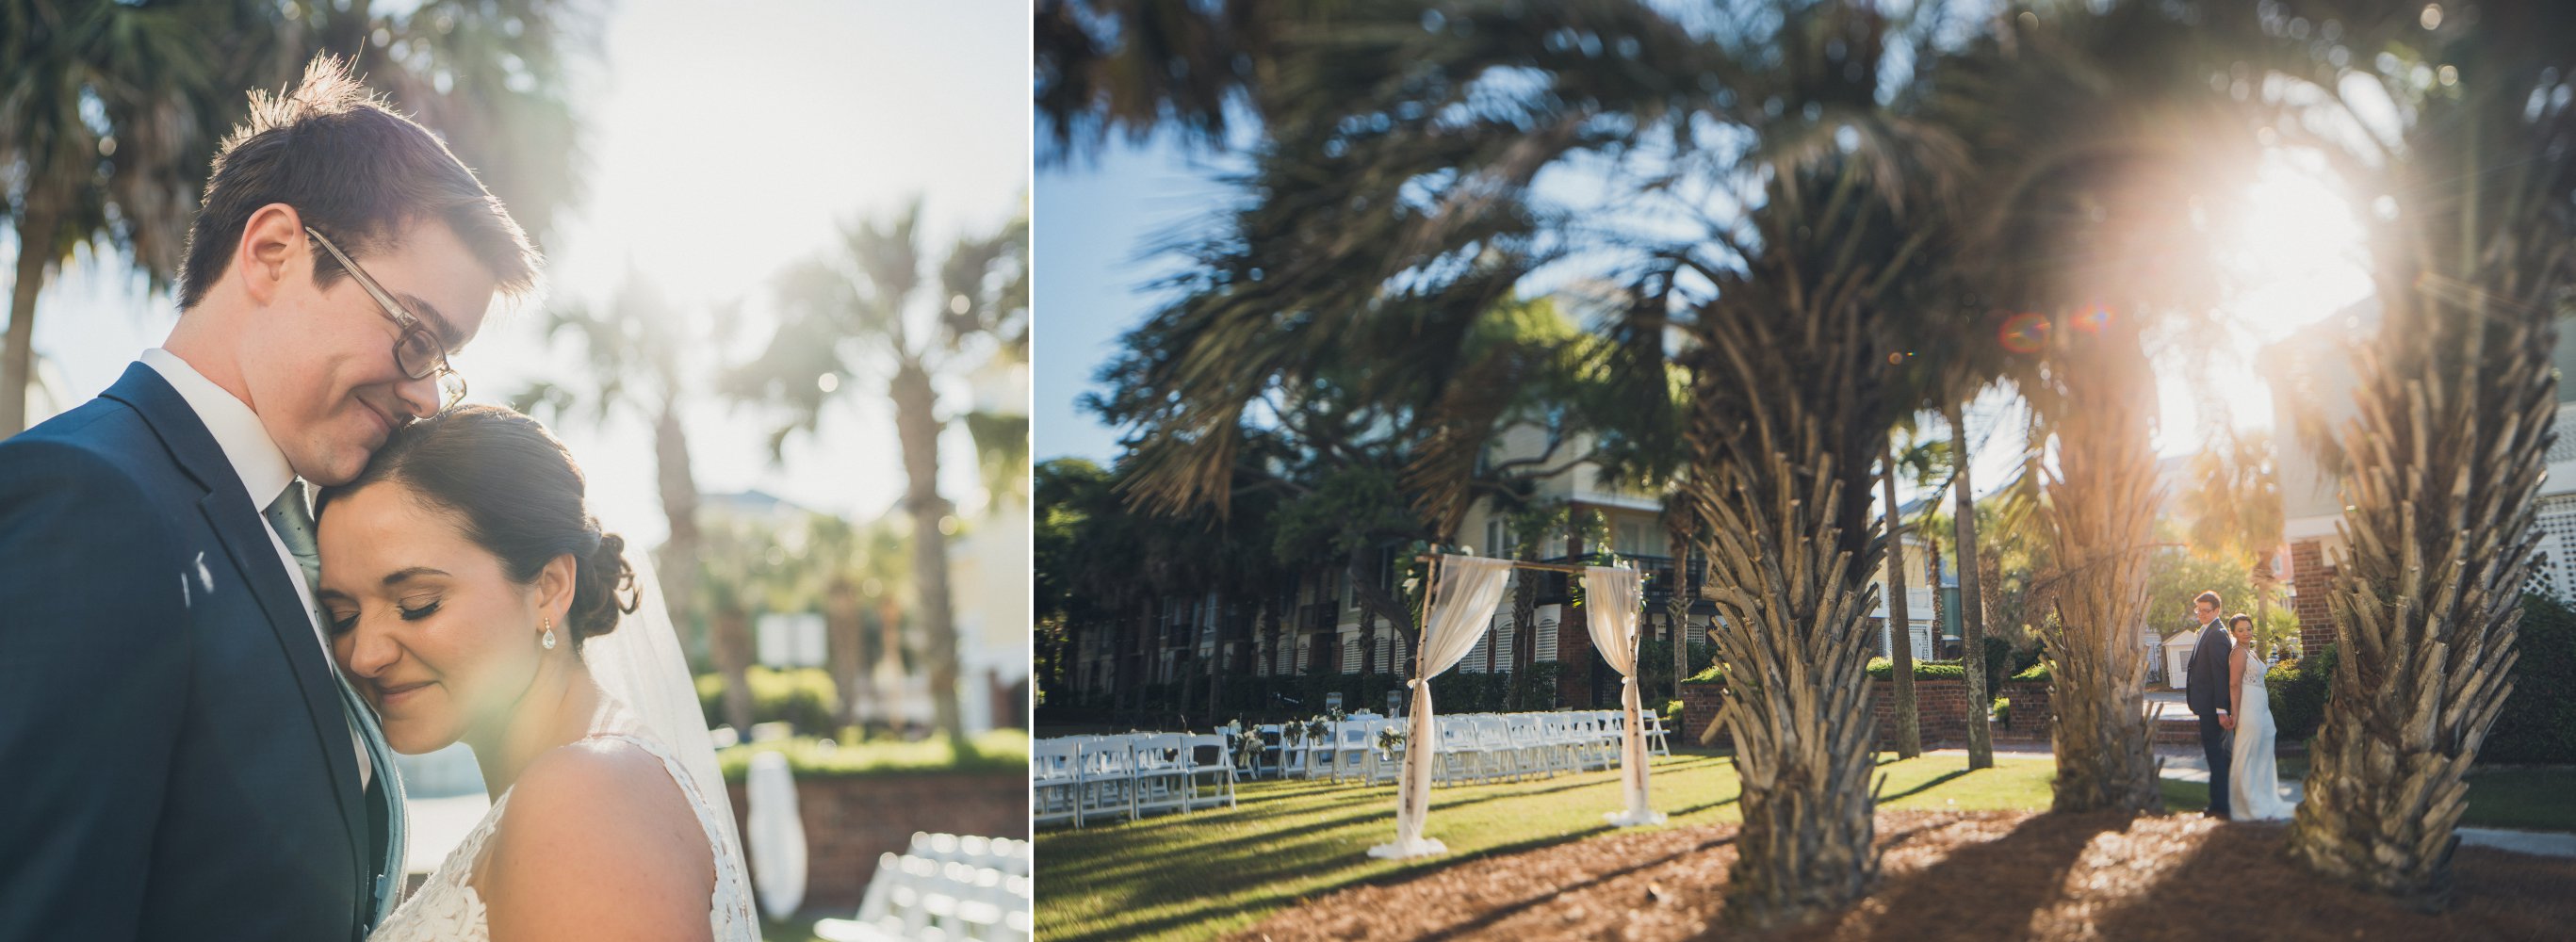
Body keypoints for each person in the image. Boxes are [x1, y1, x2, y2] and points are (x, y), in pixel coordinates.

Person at [0, 57, 537, 941]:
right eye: (413, 336)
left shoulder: (297, 537)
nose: (428, 396)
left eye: (443, 359)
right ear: (274, 252)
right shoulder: (88, 503)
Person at [318, 405, 754, 940]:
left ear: (549, 588)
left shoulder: (586, 796)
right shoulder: (583, 783)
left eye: (417, 603)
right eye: (343, 617)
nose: (365, 655)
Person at [2226, 613, 2296, 820]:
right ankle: (2250, 806)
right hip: (2248, 708)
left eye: (2248, 628)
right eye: (2241, 630)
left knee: (2263, 754)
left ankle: (2265, 800)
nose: (2246, 633)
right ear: (2233, 632)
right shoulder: (2238, 653)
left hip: (2262, 708)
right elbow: (2234, 684)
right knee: (2248, 754)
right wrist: (2236, 713)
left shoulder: (2251, 652)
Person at [2183, 590, 2236, 819]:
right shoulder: (2208, 631)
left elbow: (2220, 674)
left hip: (2213, 709)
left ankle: (2221, 806)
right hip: (2207, 707)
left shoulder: (2217, 634)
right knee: (2218, 757)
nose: (2201, 615)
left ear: (2217, 610)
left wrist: (2221, 709)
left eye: (2206, 611)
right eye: (2198, 610)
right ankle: (2220, 803)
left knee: (2216, 756)